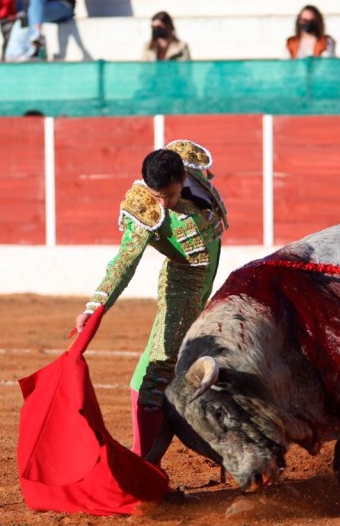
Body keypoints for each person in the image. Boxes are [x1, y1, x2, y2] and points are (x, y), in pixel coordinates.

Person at [75, 142, 228, 456]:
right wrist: (96, 306)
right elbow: (125, 262)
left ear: (183, 178)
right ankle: (144, 458)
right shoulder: (144, 208)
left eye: (169, 195)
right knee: (157, 369)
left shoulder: (187, 165)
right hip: (181, 289)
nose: (163, 203)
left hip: (207, 286)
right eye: (157, 195)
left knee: (185, 364)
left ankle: (156, 450)